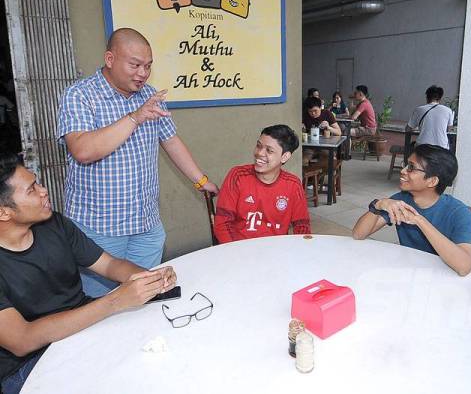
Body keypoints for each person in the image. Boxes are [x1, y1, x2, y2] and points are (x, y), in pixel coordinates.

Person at [57, 28, 218, 297]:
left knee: (146, 296)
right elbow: (82, 150)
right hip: (100, 229)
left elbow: (171, 140)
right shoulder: (80, 95)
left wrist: (201, 180)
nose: (143, 73)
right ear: (110, 59)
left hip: (145, 224)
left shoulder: (149, 94)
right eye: (135, 65)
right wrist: (134, 118)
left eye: (148, 66)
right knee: (101, 303)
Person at [0, 153, 177, 393]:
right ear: (3, 213)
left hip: (83, 329)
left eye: (38, 182)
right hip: (28, 364)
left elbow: (109, 265)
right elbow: (22, 339)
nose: (44, 191)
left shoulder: (55, 225)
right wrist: (114, 302)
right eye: (32, 190)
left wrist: (148, 278)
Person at [352, 144, 471, 276]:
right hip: (409, 273)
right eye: (406, 164)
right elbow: (358, 234)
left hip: (443, 280)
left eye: (411, 167)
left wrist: (419, 221)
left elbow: (464, 267)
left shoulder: (459, 212)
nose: (403, 170)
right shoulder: (402, 200)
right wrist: (379, 205)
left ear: (432, 181)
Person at [214, 125, 311, 244]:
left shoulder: (293, 185)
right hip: (239, 250)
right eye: (259, 146)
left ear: (284, 157)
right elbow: (222, 223)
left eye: (269, 150)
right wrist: (236, 253)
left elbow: (302, 226)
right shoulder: (237, 176)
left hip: (275, 252)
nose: (259, 153)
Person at [406, 85, 454, 149]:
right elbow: (449, 129)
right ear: (440, 98)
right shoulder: (448, 110)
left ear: (427, 97)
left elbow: (408, 129)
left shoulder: (418, 110)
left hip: (422, 147)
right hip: (442, 147)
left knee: (412, 146)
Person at [302, 96, 341, 168]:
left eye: (315, 111)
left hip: (325, 146)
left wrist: (329, 127)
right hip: (310, 146)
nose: (313, 113)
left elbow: (339, 132)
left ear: (320, 107)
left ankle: (321, 176)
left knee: (331, 159)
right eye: (310, 111)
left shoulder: (327, 114)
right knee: (303, 161)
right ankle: (309, 177)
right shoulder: (305, 115)